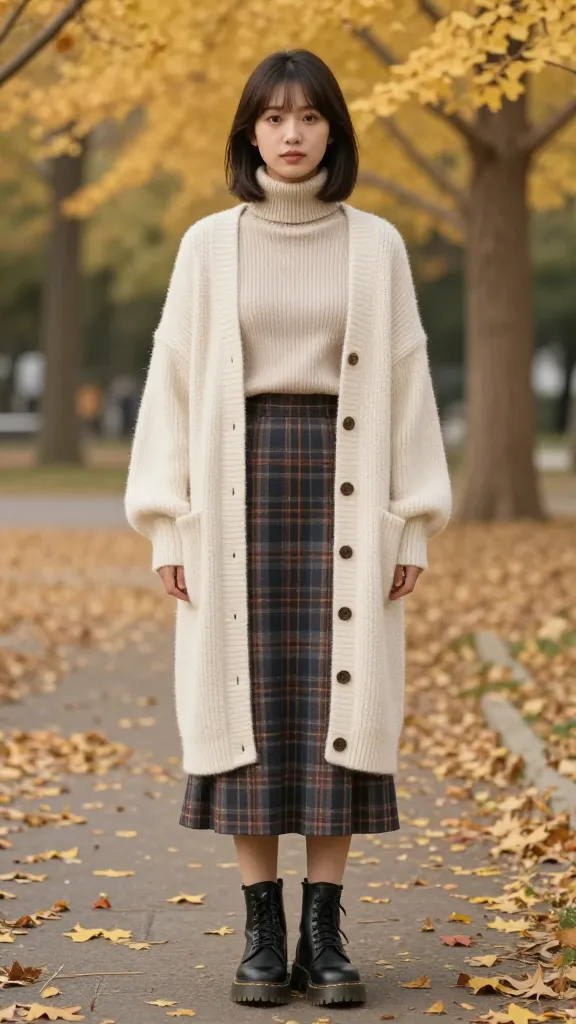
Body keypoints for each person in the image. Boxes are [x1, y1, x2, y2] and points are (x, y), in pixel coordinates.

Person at [124, 48, 452, 1010]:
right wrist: (167, 525)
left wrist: (414, 524)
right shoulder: (205, 246)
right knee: (251, 715)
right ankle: (263, 935)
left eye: (310, 117)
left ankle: (327, 931)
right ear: (249, 133)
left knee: (335, 718)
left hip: (349, 489)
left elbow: (406, 386)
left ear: (335, 132)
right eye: (274, 117)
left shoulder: (377, 245)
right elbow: (174, 389)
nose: (294, 133)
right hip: (236, 488)